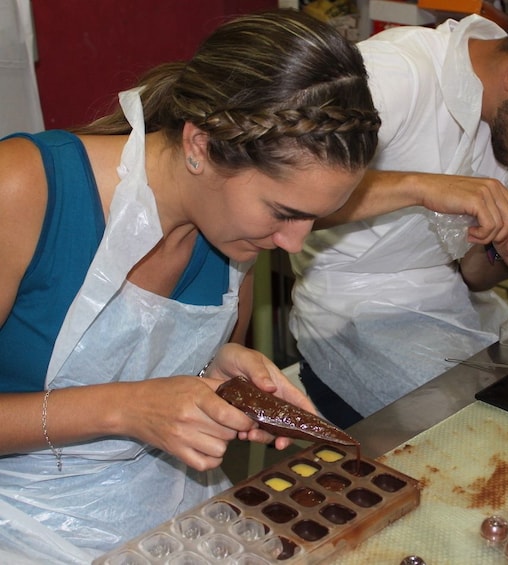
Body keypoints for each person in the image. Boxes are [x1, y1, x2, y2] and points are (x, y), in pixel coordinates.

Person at [0, 10, 385, 563]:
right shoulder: (26, 189)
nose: (294, 243)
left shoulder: (236, 239)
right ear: (200, 145)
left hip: (167, 510)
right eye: (283, 211)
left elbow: (139, 354)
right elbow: (123, 397)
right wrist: (122, 408)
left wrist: (212, 375)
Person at [289, 0, 508, 424]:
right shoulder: (393, 73)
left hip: (446, 305)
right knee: (487, 432)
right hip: (345, 314)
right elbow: (282, 194)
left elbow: (475, 273)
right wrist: (421, 186)